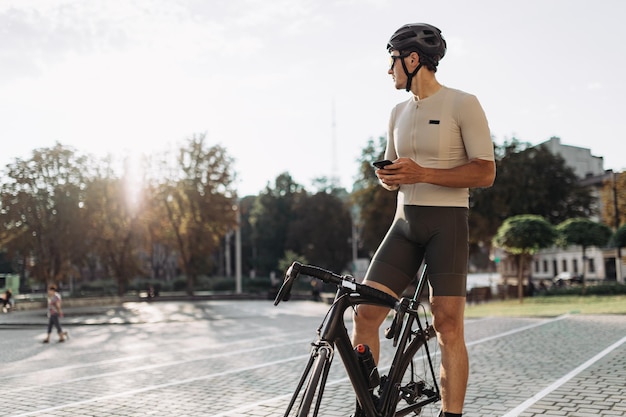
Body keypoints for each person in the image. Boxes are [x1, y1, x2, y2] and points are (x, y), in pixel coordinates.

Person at [351, 23, 495, 417]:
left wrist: (423, 174)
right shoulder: (397, 111)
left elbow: (485, 173)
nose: (389, 70)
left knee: (448, 324)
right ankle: (369, 407)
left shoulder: (463, 103)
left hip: (446, 224)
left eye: (392, 61)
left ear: (412, 60)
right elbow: (399, 171)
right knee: (365, 314)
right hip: (404, 224)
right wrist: (389, 177)